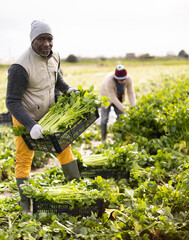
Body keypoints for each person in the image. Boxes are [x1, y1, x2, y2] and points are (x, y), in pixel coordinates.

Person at [6, 20, 80, 213]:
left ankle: (77, 189)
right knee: (23, 157)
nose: (46, 44)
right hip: (25, 117)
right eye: (41, 39)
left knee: (63, 147)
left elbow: (56, 78)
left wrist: (67, 88)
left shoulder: (55, 56)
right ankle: (25, 205)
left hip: (49, 114)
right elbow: (12, 101)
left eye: (49, 39)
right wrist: (31, 125)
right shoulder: (20, 66)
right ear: (33, 40)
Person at [100, 64, 136, 141]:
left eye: (124, 79)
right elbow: (112, 97)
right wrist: (124, 109)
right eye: (120, 80)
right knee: (104, 118)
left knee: (121, 117)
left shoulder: (128, 79)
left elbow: (131, 93)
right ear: (116, 78)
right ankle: (103, 138)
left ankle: (118, 136)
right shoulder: (109, 80)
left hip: (119, 96)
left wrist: (133, 107)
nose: (123, 81)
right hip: (106, 96)